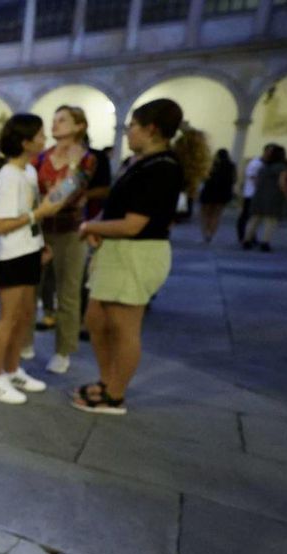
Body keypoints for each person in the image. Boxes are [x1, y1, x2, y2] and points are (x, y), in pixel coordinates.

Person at [75, 98, 209, 415]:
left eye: (131, 126)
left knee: (123, 326)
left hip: (137, 252)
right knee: (96, 318)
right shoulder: (139, 162)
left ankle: (115, 395)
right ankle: (107, 380)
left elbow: (135, 224)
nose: (127, 132)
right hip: (117, 250)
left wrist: (91, 225)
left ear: (150, 129)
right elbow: (118, 207)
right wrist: (101, 228)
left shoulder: (163, 167)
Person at [0, 114, 64, 405]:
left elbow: (30, 211)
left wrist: (39, 242)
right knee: (9, 319)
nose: (45, 139)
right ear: (25, 142)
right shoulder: (9, 175)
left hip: (27, 250)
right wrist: (38, 216)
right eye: (39, 135)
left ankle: (11, 370)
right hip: (9, 255)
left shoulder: (26, 172)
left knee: (26, 316)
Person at [30, 106, 100, 375]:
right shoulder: (43, 156)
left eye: (63, 120)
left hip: (70, 231)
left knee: (68, 293)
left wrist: (71, 167)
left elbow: (66, 194)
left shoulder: (86, 159)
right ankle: (24, 342)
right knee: (30, 290)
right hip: (39, 228)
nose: (55, 124)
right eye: (54, 119)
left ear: (79, 126)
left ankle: (63, 351)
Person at [242, 145, 287, 252]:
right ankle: (265, 242)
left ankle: (246, 240)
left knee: (254, 219)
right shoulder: (281, 167)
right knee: (271, 221)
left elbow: (256, 181)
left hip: (259, 195)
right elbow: (282, 183)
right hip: (273, 196)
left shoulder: (264, 166)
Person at [199, 149, 237, 243]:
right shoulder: (231, 166)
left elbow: (203, 177)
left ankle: (205, 233)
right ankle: (211, 234)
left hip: (209, 191)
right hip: (223, 193)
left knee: (205, 214)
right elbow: (234, 179)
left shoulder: (211, 164)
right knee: (216, 214)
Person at [237, 144, 272, 243]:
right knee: (247, 216)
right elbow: (252, 177)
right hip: (251, 194)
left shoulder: (265, 164)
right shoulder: (256, 163)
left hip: (258, 194)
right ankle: (243, 235)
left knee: (255, 217)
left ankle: (250, 235)